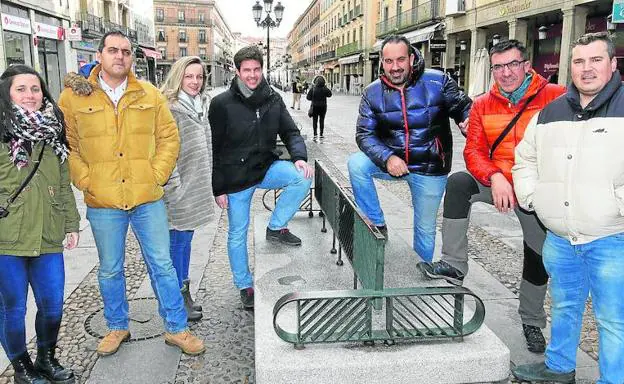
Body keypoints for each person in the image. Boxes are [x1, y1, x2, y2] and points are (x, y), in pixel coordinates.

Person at [58, 30, 205, 357]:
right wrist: (86, 179)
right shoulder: (72, 98)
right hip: (102, 199)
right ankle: (117, 325)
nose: (120, 56)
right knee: (110, 267)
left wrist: (156, 174)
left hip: (147, 197)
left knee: (163, 265)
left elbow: (169, 138)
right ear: (100, 55)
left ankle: (176, 328)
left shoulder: (150, 94)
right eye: (113, 50)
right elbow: (67, 143)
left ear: (131, 58)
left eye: (126, 51)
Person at [419, 39, 566, 353]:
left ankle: (531, 319)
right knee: (459, 183)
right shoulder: (483, 103)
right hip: (497, 179)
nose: (506, 72)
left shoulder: (556, 97)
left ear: (527, 66)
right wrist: (495, 176)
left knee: (537, 253)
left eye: (513, 64)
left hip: (536, 187)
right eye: (498, 66)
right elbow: (473, 151)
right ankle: (454, 264)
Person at [511, 32, 624, 384]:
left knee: (613, 321)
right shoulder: (551, 112)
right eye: (578, 61)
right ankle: (559, 368)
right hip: (560, 238)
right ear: (570, 66)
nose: (586, 68)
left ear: (612, 64)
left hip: (612, 237)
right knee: (564, 306)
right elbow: (524, 158)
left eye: (595, 60)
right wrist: (533, 196)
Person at [347, 34, 471, 262]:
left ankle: (419, 273)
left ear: (412, 59)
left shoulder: (438, 81)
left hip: (430, 165)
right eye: (388, 61)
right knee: (356, 164)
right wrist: (387, 158)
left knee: (425, 229)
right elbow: (364, 134)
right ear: (382, 63)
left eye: (400, 60)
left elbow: (464, 106)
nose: (395, 67)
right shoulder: (372, 92)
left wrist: (468, 120)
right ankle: (377, 222)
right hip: (394, 161)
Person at [209, 46, 313, 309]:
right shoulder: (221, 104)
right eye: (247, 70)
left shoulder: (272, 98)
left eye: (256, 69)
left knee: (301, 177)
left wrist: (299, 156)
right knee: (237, 232)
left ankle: (276, 226)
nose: (253, 75)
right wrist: (218, 187)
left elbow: (290, 131)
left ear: (262, 69)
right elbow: (215, 148)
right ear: (237, 71)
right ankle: (245, 285)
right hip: (235, 177)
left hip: (265, 167)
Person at [0, 64, 80, 384]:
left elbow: (63, 183)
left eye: (35, 89)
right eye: (21, 89)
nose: (30, 95)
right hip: (7, 237)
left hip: (47, 232)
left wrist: (71, 223)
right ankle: (22, 367)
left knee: (52, 304)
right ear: (6, 94)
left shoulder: (52, 130)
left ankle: (46, 358)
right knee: (13, 309)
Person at [159, 56, 214, 322]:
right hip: (179, 192)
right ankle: (175, 300)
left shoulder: (200, 104)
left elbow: (206, 145)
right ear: (178, 77)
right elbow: (165, 153)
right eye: (189, 76)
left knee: (185, 243)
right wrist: (175, 188)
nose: (194, 82)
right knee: (177, 245)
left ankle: (184, 294)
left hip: (195, 187)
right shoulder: (170, 107)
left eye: (199, 77)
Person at [306, 75, 332, 140]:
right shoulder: (325, 88)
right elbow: (330, 95)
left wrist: (313, 98)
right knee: (322, 120)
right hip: (323, 107)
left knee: (315, 120)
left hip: (315, 106)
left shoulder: (313, 88)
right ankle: (321, 134)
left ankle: (315, 134)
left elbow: (308, 98)